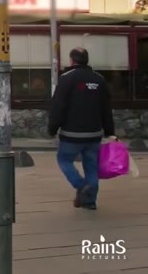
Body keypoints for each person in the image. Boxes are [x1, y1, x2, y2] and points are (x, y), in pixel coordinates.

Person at [48, 47, 115, 210]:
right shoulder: (99, 79)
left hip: (71, 134)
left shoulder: (66, 78)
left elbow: (58, 106)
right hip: (94, 134)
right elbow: (106, 108)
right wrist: (109, 131)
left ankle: (81, 185)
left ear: (72, 60)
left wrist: (52, 128)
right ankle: (90, 201)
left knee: (64, 160)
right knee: (91, 167)